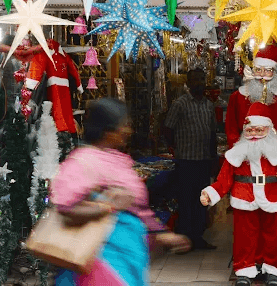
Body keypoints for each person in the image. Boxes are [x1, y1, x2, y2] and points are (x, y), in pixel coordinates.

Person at [50, 97, 190, 286]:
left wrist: (161, 233)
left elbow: (136, 207)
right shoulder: (82, 161)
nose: (128, 131)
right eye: (123, 125)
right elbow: (66, 210)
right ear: (107, 130)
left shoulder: (118, 159)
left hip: (129, 259)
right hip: (101, 263)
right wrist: (108, 206)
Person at [225, 43, 277, 272]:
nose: (262, 77)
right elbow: (232, 129)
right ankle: (249, 262)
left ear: (275, 72)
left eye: (267, 71)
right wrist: (240, 150)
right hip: (248, 162)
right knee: (247, 219)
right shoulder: (237, 98)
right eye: (258, 71)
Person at [200, 102, 277, 286]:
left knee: (275, 236)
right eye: (250, 130)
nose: (253, 135)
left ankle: (273, 271)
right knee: (245, 237)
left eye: (259, 130)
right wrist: (210, 194)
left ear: (269, 130)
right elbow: (224, 179)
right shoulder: (236, 153)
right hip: (244, 198)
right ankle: (245, 270)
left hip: (276, 198)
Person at [164, 68, 218, 251]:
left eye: (202, 79)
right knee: (186, 201)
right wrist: (174, 148)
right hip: (186, 161)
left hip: (203, 160)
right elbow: (168, 128)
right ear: (188, 83)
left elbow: (212, 133)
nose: (199, 83)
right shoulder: (180, 104)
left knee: (202, 201)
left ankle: (198, 237)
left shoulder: (209, 105)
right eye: (195, 80)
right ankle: (185, 240)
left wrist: (213, 158)